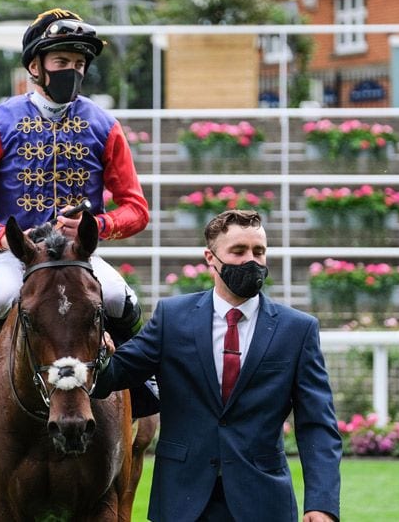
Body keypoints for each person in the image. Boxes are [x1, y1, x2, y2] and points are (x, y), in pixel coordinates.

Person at [0, 8, 157, 419]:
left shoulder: (105, 125)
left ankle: (145, 376)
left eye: (79, 64)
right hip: (19, 254)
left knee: (116, 295)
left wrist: (99, 225)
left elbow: (136, 208)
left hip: (78, 254)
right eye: (62, 62)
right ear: (35, 67)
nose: (72, 72)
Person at [93, 209, 342, 522]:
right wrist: (94, 349)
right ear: (210, 258)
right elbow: (113, 376)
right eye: (238, 251)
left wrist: (322, 504)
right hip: (181, 502)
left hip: (264, 503)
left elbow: (317, 425)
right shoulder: (172, 317)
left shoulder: (298, 329)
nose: (251, 260)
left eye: (259, 251)